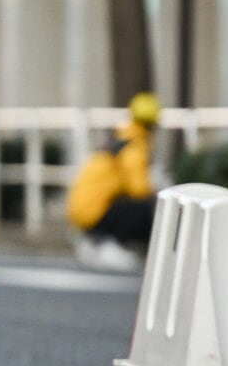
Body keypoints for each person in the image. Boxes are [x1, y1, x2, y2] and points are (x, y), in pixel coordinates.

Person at [66, 91, 160, 270]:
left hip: (80, 210)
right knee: (146, 207)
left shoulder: (118, 138)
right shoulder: (133, 147)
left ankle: (96, 241)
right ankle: (112, 243)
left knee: (131, 203)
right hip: (94, 212)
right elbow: (139, 189)